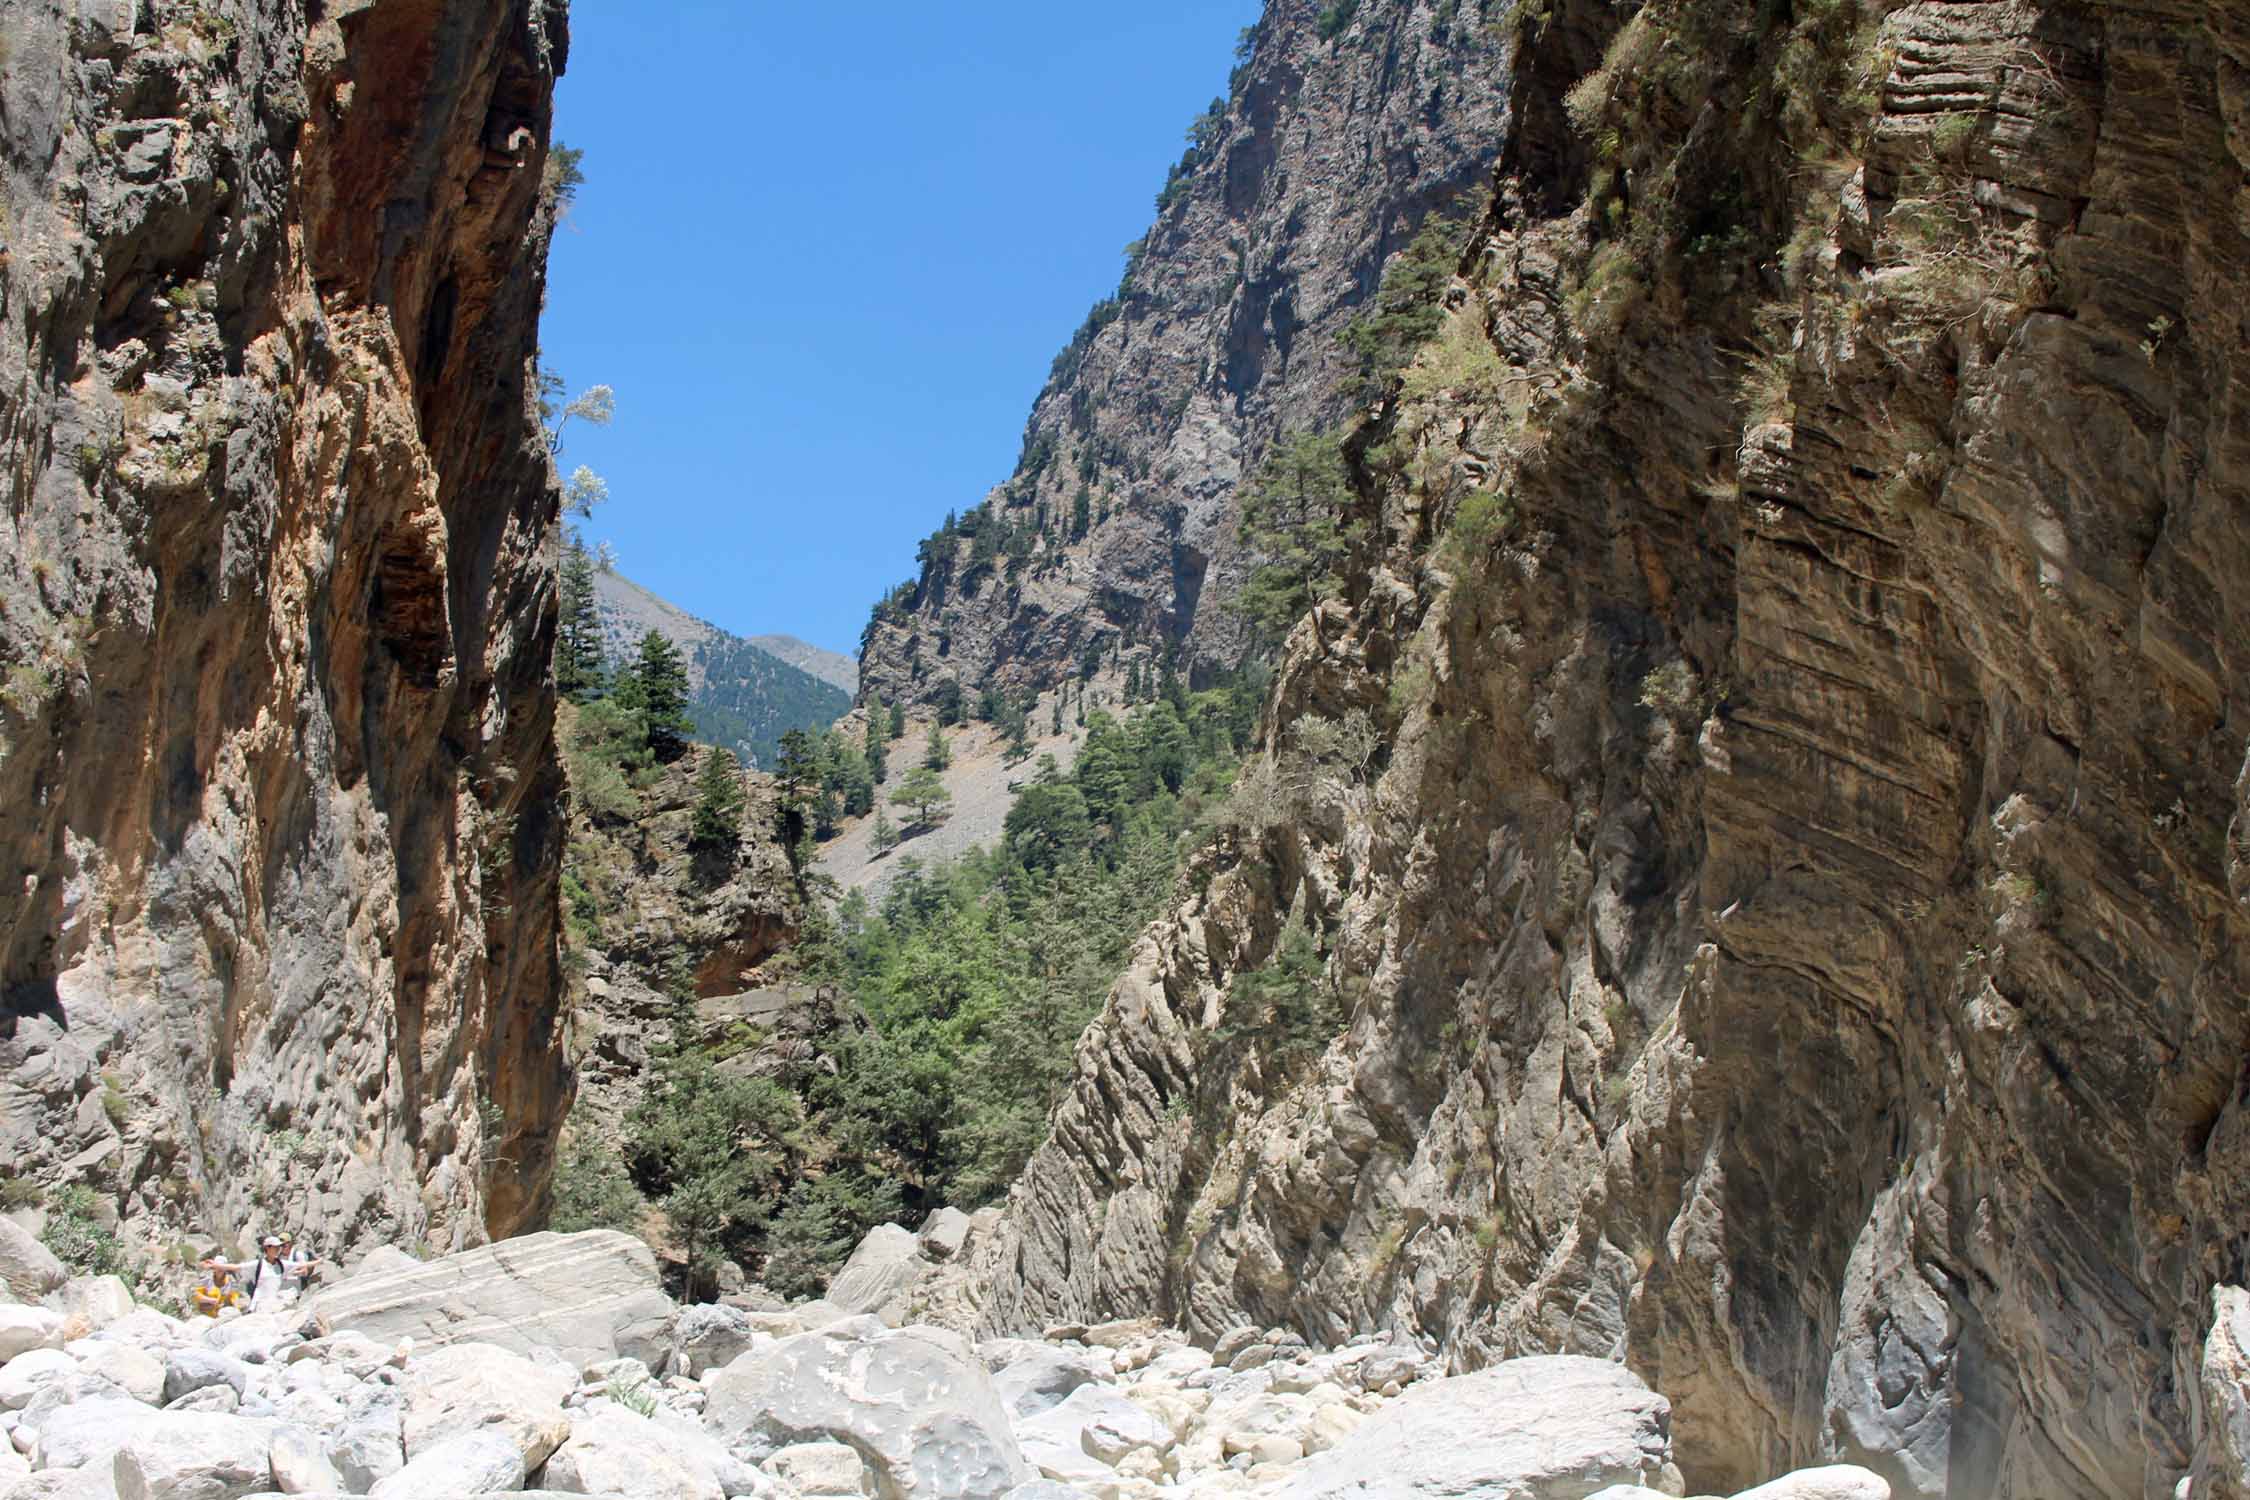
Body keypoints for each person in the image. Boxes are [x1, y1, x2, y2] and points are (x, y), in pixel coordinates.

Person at [203, 1235, 292, 1314]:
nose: (278, 1250)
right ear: (267, 1248)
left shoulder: (281, 1264)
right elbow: (237, 1267)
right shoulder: (257, 1264)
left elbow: (301, 1265)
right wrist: (215, 1265)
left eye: (279, 1247)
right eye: (275, 1247)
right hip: (259, 1307)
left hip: (274, 1306)